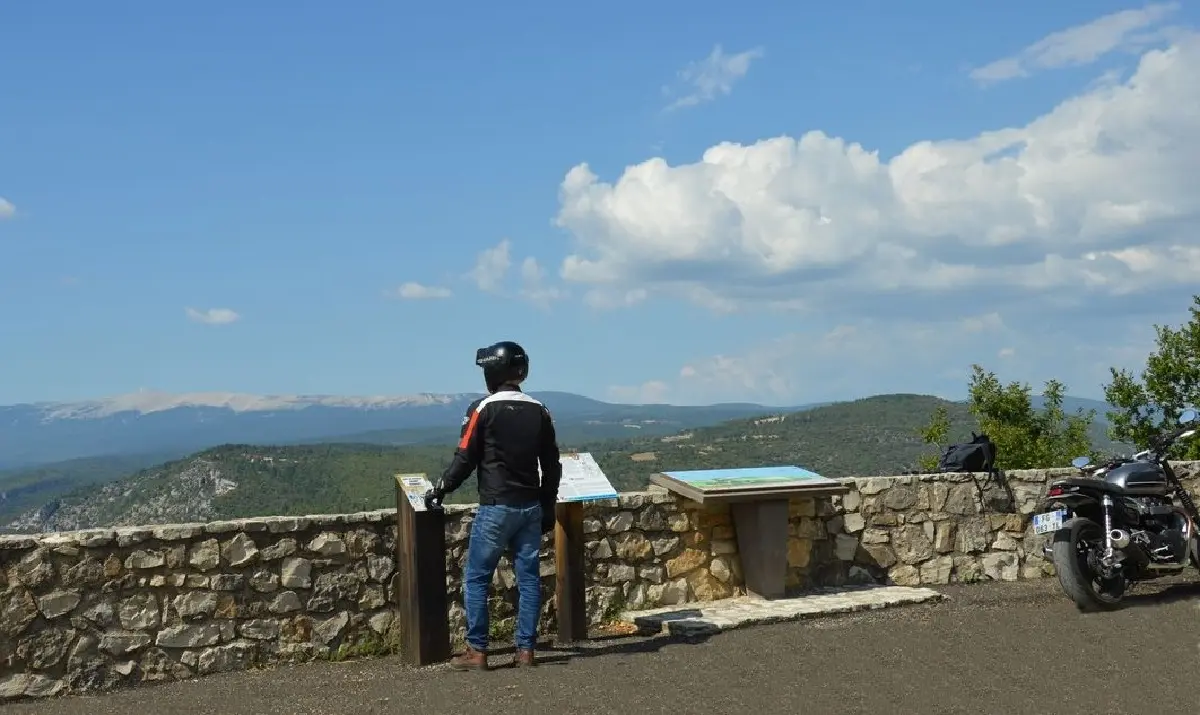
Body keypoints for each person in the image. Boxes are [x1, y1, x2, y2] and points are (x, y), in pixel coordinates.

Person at [424, 340, 562, 670]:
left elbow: (465, 457)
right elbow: (552, 464)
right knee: (529, 580)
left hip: (496, 507)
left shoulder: (482, 409)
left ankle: (477, 651)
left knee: (477, 578)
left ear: (492, 372)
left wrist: (442, 488)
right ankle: (526, 651)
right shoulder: (539, 410)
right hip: (530, 508)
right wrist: (548, 506)